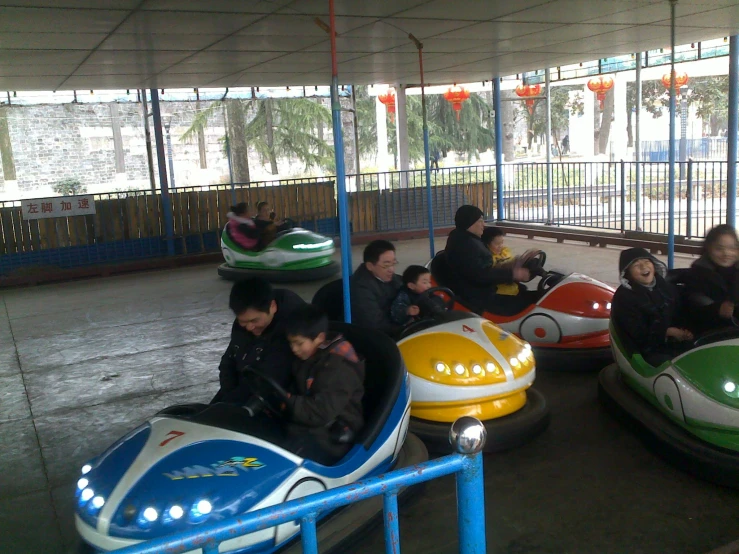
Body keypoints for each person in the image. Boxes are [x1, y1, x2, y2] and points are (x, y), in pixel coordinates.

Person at [282, 305, 365, 465]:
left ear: (319, 338)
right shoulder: (309, 356)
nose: (293, 349)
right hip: (313, 419)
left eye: (299, 343)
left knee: (289, 459)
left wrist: (288, 402)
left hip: (337, 427)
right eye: (291, 343)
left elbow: (322, 411)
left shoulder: (339, 368)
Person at [215, 278, 306, 405]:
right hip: (242, 389)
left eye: (254, 321)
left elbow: (271, 380)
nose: (249, 327)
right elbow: (228, 362)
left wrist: (232, 406)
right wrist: (227, 393)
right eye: (243, 321)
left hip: (274, 397)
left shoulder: (292, 330)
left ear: (272, 307)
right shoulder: (245, 324)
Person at [611, 248, 693, 366]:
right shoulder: (624, 298)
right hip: (646, 350)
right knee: (673, 365)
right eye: (636, 265)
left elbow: (679, 312)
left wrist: (685, 331)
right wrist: (666, 332)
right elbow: (637, 333)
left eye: (647, 262)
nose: (643, 267)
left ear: (654, 265)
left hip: (671, 342)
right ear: (627, 273)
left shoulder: (667, 287)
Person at [445, 205, 531, 315]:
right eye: (480, 221)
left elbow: (482, 268)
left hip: (479, 291)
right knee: (529, 304)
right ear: (470, 222)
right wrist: (512, 274)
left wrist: (514, 265)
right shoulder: (465, 245)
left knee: (524, 292)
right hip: (479, 298)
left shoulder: (466, 239)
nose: (483, 225)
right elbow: (481, 274)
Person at [683, 224, 739, 333]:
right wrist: (717, 309)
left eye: (732, 248)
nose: (726, 253)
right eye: (719, 248)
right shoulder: (698, 273)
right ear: (708, 248)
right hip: (710, 334)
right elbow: (693, 305)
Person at [350, 240, 403, 336]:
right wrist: (405, 326)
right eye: (386, 265)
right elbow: (375, 323)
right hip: (374, 336)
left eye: (393, 264)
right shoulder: (360, 289)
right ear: (370, 266)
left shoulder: (393, 278)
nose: (391, 270)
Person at [481, 226, 520, 296]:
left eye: (501, 243)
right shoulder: (488, 259)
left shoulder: (505, 251)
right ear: (487, 245)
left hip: (514, 288)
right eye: (497, 244)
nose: (500, 246)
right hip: (501, 293)